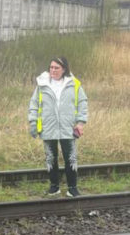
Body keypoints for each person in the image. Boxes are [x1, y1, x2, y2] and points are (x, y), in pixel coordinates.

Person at [27, 55, 88, 197]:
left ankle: (72, 188)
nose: (53, 70)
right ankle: (54, 187)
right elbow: (33, 105)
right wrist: (33, 122)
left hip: (69, 128)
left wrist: (80, 123)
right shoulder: (42, 85)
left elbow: (83, 103)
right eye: (51, 67)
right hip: (48, 128)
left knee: (71, 158)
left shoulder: (74, 84)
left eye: (56, 68)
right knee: (50, 158)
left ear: (64, 69)